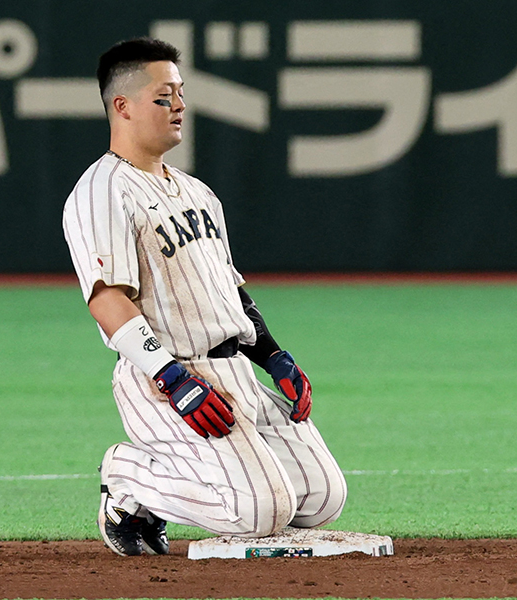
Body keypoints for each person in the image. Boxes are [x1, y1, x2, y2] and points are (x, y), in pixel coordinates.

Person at [62, 37, 347, 556]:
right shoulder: (102, 190)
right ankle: (125, 478)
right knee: (259, 513)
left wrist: (273, 355)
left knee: (321, 498)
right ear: (122, 106)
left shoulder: (198, 192)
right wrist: (171, 378)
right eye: (164, 95)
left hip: (234, 368)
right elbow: (107, 302)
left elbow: (231, 291)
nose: (179, 105)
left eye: (181, 92)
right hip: (167, 378)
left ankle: (173, 480)